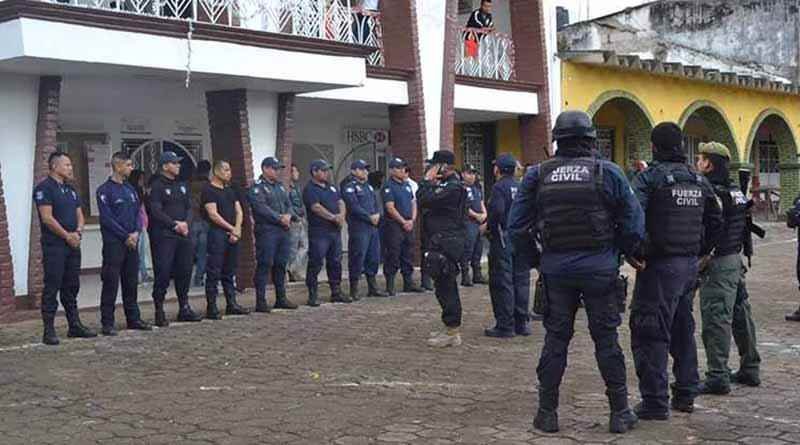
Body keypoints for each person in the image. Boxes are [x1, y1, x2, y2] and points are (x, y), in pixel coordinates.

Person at [508, 111, 645, 434]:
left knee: (555, 340)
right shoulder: (607, 172)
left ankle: (547, 413)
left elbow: (515, 229)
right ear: (590, 140)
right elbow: (633, 224)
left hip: (556, 270)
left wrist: (538, 261)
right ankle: (619, 412)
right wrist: (622, 253)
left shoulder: (536, 175)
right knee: (607, 340)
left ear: (558, 140)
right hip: (600, 270)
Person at [626, 123, 723, 419]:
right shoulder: (698, 179)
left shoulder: (649, 178)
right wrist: (702, 252)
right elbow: (716, 219)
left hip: (658, 267)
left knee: (649, 332)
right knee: (682, 329)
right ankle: (685, 394)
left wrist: (636, 253)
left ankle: (655, 402)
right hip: (688, 267)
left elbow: (632, 218)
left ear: (654, 147)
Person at [695, 142, 762, 394]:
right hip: (734, 259)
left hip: (718, 262)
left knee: (716, 318)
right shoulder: (735, 190)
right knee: (740, 315)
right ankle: (750, 367)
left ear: (709, 164)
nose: (697, 164)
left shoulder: (711, 191)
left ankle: (717, 375)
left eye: (700, 159)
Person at [33, 152, 97, 345]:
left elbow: (80, 215)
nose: (71, 168)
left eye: (71, 165)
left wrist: (77, 232)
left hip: (73, 245)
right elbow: (47, 218)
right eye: (67, 165)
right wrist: (66, 235)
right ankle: (49, 330)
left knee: (71, 286)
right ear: (54, 166)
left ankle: (74, 325)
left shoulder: (71, 190)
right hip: (55, 246)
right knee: (52, 286)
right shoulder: (44, 188)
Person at [96, 152, 153, 336]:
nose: (131, 168)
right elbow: (107, 219)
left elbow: (138, 213)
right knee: (111, 283)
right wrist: (125, 236)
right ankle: (107, 322)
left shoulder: (131, 189)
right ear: (118, 166)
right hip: (115, 243)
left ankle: (133, 318)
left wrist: (136, 233)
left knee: (131, 282)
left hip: (132, 241)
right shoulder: (104, 190)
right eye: (128, 165)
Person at [148, 151, 203, 327]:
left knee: (185, 271)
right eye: (174, 163)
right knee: (163, 273)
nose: (178, 166)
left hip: (183, 235)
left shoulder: (182, 185)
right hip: (165, 236)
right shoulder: (156, 186)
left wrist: (186, 224)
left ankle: (184, 307)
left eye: (178, 163)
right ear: (165, 166)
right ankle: (159, 310)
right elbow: (156, 211)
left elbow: (190, 208)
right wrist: (174, 225)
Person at [419, 150, 468, 347]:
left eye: (434, 165)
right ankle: (450, 329)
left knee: (447, 287)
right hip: (442, 240)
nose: (430, 169)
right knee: (443, 287)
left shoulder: (453, 187)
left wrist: (426, 180)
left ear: (443, 166)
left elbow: (424, 199)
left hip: (446, 243)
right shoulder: (447, 185)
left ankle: (452, 332)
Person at [486, 153, 532, 338]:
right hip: (521, 238)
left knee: (502, 281)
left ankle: (505, 325)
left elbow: (496, 211)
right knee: (521, 281)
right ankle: (522, 323)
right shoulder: (521, 186)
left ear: (498, 169)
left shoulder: (499, 187)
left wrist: (490, 228)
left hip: (503, 238)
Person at [248, 157, 299, 313]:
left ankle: (281, 298)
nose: (278, 172)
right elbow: (260, 208)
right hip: (267, 231)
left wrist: (289, 216)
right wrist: (279, 218)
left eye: (278, 169)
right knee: (265, 264)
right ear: (265, 169)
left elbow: (288, 204)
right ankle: (261, 301)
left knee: (281, 265)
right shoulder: (257, 188)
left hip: (283, 231)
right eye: (274, 168)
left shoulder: (280, 187)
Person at [201, 160, 249, 318]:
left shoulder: (230, 190)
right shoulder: (209, 190)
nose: (230, 173)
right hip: (217, 234)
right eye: (226, 170)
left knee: (230, 271)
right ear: (216, 172)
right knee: (214, 271)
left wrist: (237, 228)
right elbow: (213, 214)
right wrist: (231, 228)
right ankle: (212, 306)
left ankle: (231, 303)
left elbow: (239, 210)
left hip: (233, 233)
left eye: (229, 170)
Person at [303, 160, 347, 306]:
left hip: (334, 231)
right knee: (316, 262)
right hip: (319, 231)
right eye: (323, 170)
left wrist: (341, 215)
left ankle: (336, 291)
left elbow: (341, 202)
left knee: (335, 261)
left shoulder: (332, 187)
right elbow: (316, 207)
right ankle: (312, 294)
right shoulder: (310, 189)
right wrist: (333, 217)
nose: (326, 173)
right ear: (314, 172)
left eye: (327, 170)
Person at [342, 160, 387, 300]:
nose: (366, 172)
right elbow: (353, 206)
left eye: (366, 170)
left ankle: (372, 287)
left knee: (373, 256)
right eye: (362, 169)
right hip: (359, 227)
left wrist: (378, 215)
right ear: (354, 171)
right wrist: (369, 217)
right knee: (357, 256)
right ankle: (354, 289)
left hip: (373, 227)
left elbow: (377, 203)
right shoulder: (350, 187)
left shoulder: (369, 187)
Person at [382, 158, 423, 296]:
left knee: (408, 254)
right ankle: (390, 284)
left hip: (408, 224)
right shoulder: (388, 186)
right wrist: (403, 222)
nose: (402, 170)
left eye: (403, 168)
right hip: (395, 225)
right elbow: (390, 207)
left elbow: (413, 203)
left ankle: (408, 282)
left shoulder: (406, 185)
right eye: (399, 168)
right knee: (393, 253)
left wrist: (412, 219)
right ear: (392, 170)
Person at [460, 164, 487, 287]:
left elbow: (481, 203)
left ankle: (477, 274)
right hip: (468, 222)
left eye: (473, 173)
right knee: (468, 249)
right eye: (469, 173)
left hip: (479, 222)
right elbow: (464, 207)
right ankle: (465, 275)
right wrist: (476, 216)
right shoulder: (461, 189)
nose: (472, 176)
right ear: (463, 174)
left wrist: (484, 216)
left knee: (478, 248)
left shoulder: (477, 188)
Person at [128, 169, 153, 283]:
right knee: (139, 251)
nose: (143, 181)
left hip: (142, 224)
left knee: (142, 251)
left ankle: (143, 273)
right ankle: (138, 275)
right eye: (141, 179)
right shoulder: (135, 191)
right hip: (138, 225)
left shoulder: (139, 191)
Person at [190, 160, 211, 288]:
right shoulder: (208, 185)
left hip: (192, 221)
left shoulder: (190, 184)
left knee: (189, 252)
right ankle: (198, 278)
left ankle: (183, 278)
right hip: (205, 221)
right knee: (203, 253)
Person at [287, 164, 308, 283]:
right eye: (295, 171)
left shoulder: (297, 187)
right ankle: (291, 271)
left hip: (301, 218)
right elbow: (288, 205)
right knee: (293, 247)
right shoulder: (288, 187)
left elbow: (301, 203)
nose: (297, 173)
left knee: (304, 246)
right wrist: (295, 217)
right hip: (294, 221)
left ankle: (292, 269)